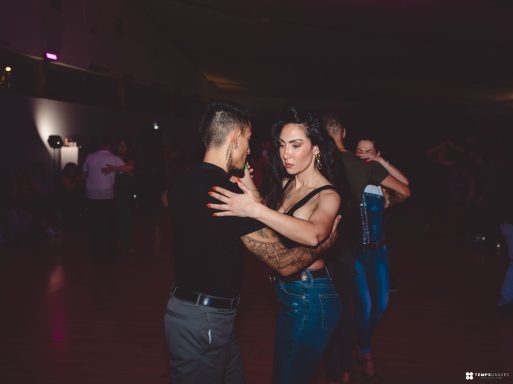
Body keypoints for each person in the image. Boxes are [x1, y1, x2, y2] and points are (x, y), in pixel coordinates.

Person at [165, 102, 340, 384]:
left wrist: (252, 197)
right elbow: (282, 262)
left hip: (202, 312)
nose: (250, 149)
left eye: (294, 145)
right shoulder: (227, 195)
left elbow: (256, 218)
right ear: (235, 137)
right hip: (204, 319)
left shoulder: (183, 180)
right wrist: (325, 241)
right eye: (247, 140)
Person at [322, 115, 411, 384]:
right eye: (359, 151)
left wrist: (383, 171)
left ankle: (358, 343)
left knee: (381, 305)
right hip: (357, 251)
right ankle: (365, 352)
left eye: (368, 152)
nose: (362, 155)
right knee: (365, 304)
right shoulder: (352, 178)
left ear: (376, 154)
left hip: (380, 251)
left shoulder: (378, 181)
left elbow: (406, 190)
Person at [82, 135, 130, 258]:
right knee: (108, 224)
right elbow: (127, 169)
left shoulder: (90, 157)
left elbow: (84, 175)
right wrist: (114, 168)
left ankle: (93, 251)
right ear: (109, 145)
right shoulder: (114, 157)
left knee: (93, 224)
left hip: (91, 194)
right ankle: (108, 251)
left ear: (99, 144)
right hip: (106, 195)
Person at [113, 139, 136, 254]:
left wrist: (116, 168)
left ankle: (127, 244)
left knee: (126, 220)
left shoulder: (129, 160)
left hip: (125, 193)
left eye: (124, 146)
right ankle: (118, 245)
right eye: (120, 146)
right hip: (113, 193)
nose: (122, 148)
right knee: (116, 219)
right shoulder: (113, 158)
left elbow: (131, 174)